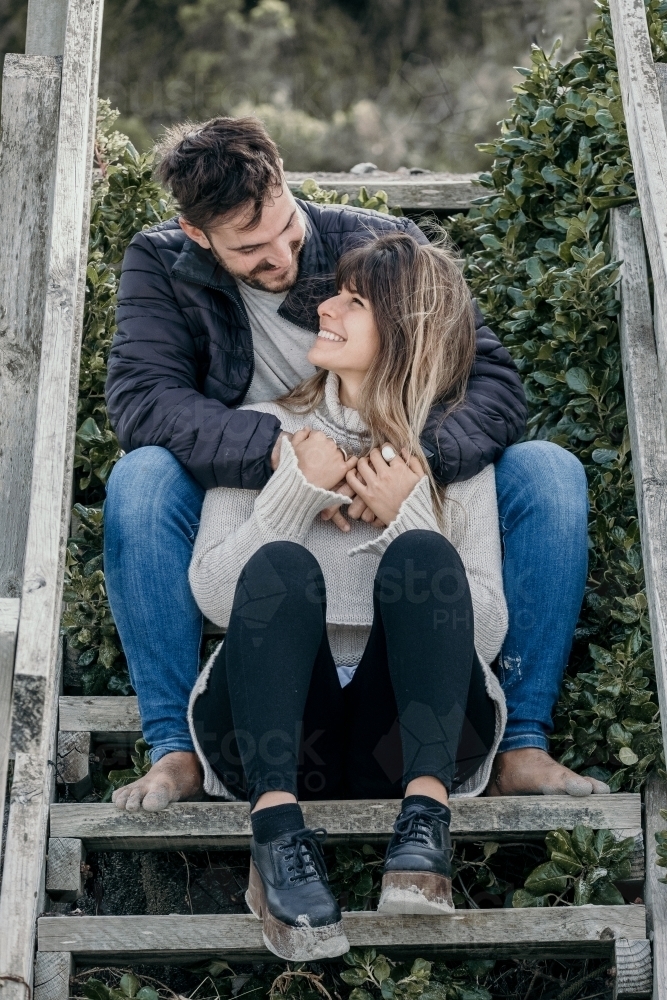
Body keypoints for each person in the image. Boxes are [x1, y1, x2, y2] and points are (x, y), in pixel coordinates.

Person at [106, 115, 606, 815]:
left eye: (286, 228)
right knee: (141, 479)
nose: (281, 255)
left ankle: (520, 741)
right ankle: (174, 749)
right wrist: (277, 456)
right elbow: (143, 399)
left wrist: (408, 467)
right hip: (250, 465)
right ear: (198, 234)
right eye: (250, 248)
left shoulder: (369, 245)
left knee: (548, 472)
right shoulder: (160, 261)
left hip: (395, 445)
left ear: (283, 180)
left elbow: (486, 378)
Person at [187, 232, 507, 960]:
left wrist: (408, 514)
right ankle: (274, 840)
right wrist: (293, 494)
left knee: (426, 553)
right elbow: (213, 595)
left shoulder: (453, 451)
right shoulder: (265, 430)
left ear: (402, 330)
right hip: (275, 732)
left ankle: (424, 832)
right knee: (281, 567)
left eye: (351, 300)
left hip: (408, 737)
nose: (322, 306)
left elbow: (482, 635)